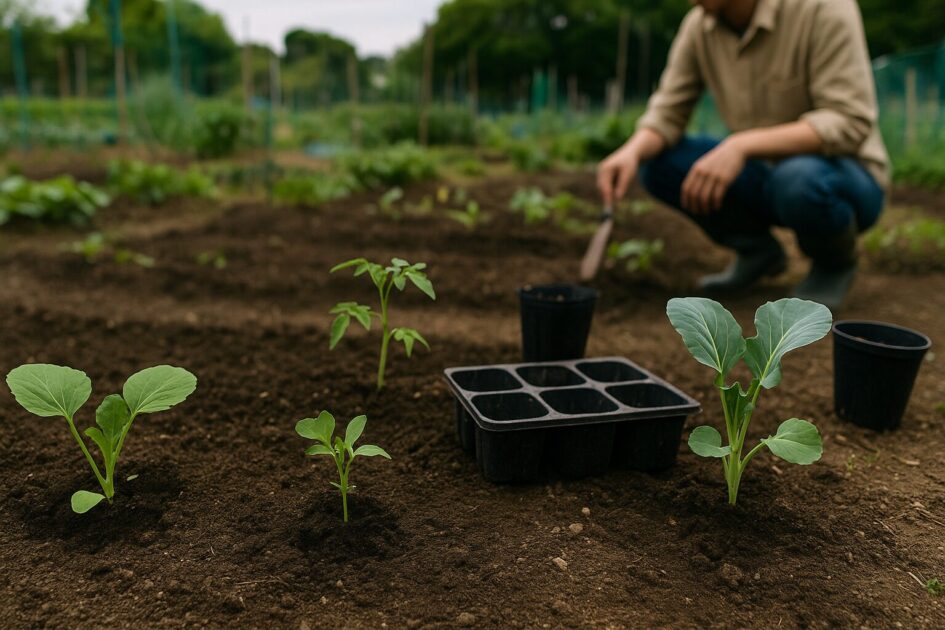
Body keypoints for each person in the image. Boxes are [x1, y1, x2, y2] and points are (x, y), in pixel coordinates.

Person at [597, 0, 889, 309]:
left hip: (843, 178)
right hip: (765, 176)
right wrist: (630, 151)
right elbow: (668, 112)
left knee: (798, 179)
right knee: (659, 164)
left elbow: (849, 119)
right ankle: (758, 251)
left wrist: (741, 145)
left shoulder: (823, 9)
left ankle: (833, 264)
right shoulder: (698, 26)